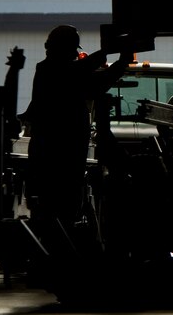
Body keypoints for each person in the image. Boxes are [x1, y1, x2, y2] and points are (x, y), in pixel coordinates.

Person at [23, 25, 134, 231]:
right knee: (60, 210)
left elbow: (88, 80)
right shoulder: (52, 71)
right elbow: (89, 80)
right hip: (60, 155)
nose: (75, 54)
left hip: (56, 154)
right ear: (61, 48)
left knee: (58, 211)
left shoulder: (54, 71)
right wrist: (113, 57)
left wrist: (116, 60)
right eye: (72, 48)